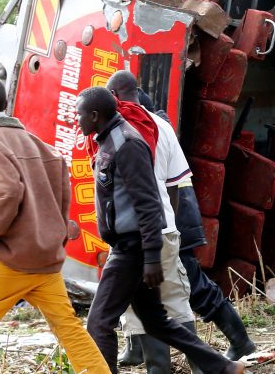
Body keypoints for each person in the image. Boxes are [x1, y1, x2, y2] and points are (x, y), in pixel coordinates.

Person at [75, 87, 245, 374]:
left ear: (94, 115)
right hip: (132, 247)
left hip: (132, 249)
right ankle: (223, 367)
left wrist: (152, 256)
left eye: (78, 114)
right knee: (156, 321)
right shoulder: (109, 141)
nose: (75, 119)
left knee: (99, 322)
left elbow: (148, 203)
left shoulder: (126, 144)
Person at [0, 78, 109, 373]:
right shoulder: (41, 145)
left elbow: (7, 192)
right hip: (45, 259)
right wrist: (57, 237)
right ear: (5, 105)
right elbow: (63, 193)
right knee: (69, 329)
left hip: (10, 259)